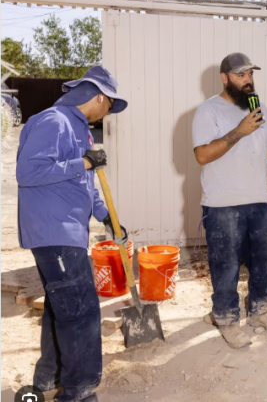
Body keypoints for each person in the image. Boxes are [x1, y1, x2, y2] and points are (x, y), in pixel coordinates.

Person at [16, 66, 129, 402]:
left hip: (67, 233)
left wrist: (108, 217)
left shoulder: (81, 131)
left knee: (60, 307)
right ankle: (78, 392)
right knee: (81, 312)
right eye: (110, 104)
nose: (109, 111)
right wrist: (83, 163)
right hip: (55, 232)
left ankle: (48, 379)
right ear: (98, 96)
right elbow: (28, 171)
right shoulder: (53, 121)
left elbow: (87, 185)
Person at [193, 52, 267, 349]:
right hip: (223, 203)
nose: (247, 80)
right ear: (225, 78)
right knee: (226, 265)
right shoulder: (208, 111)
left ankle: (260, 310)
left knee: (264, 259)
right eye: (240, 75)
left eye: (249, 75)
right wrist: (239, 131)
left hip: (258, 200)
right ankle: (226, 318)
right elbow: (202, 155)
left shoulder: (259, 109)